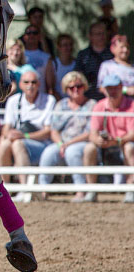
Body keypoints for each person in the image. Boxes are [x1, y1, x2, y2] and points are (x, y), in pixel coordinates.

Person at [0, 67, 55, 193]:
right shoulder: (13, 101)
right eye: (26, 82)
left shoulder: (49, 100)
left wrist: (24, 136)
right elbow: (6, 129)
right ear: (20, 85)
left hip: (42, 145)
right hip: (19, 140)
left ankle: (24, 189)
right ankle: (4, 189)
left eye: (33, 82)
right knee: (4, 145)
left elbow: (48, 132)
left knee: (17, 144)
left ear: (39, 84)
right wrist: (11, 134)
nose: (30, 86)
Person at [38, 72, 94, 201]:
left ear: (84, 87)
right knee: (49, 152)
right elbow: (54, 130)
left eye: (79, 86)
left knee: (72, 152)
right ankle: (43, 189)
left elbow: (90, 132)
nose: (75, 89)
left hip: (82, 142)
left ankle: (80, 190)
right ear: (66, 89)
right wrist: (60, 144)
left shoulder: (91, 105)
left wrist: (67, 144)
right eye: (71, 87)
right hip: (62, 143)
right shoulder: (61, 105)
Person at [80, 74, 134, 203]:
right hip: (106, 145)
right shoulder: (99, 106)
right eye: (109, 88)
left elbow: (132, 133)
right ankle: (91, 190)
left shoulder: (131, 105)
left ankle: (131, 189)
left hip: (123, 143)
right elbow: (92, 133)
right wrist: (98, 140)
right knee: (89, 148)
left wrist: (117, 141)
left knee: (129, 147)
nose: (113, 91)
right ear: (104, 90)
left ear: (121, 88)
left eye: (115, 88)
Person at [75, 21, 113, 101]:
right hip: (89, 98)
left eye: (103, 33)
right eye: (98, 34)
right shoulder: (83, 55)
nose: (101, 37)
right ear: (90, 36)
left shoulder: (113, 52)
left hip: (110, 97)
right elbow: (78, 76)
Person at [20, 25, 51, 94]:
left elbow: (49, 84)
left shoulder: (46, 57)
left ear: (39, 37)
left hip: (41, 97)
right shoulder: (19, 55)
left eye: (35, 33)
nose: (31, 35)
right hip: (22, 97)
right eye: (29, 33)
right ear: (24, 37)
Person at [45, 33, 76, 100]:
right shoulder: (53, 63)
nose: (69, 47)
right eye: (65, 45)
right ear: (58, 47)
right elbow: (50, 88)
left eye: (70, 45)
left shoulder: (76, 63)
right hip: (57, 101)